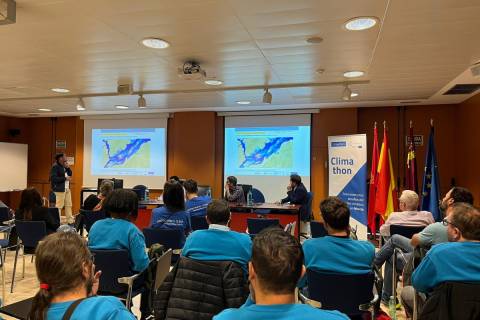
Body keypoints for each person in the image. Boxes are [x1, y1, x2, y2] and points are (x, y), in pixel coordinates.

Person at [213, 228, 348, 320]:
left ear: (251, 270)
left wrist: (252, 297)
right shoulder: (338, 318)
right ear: (302, 273)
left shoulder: (224, 318)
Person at [28, 232, 135, 320]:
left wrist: (89, 296)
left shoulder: (39, 310)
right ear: (84, 268)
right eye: (91, 259)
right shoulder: (110, 309)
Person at [401, 203, 480, 314]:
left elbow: (418, 284)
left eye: (447, 224)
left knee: (406, 292)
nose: (445, 226)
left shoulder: (438, 253)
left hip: (443, 313)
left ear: (456, 232)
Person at [88, 189, 150, 318]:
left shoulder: (95, 226)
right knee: (152, 272)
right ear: (132, 209)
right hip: (124, 284)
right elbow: (141, 265)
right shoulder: (133, 231)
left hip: (97, 281)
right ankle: (146, 312)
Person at [374, 190, 434, 303]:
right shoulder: (427, 216)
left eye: (400, 202)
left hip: (406, 259)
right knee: (392, 256)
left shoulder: (394, 216)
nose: (400, 203)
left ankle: (387, 296)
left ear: (404, 205)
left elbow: (383, 232)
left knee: (392, 252)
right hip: (421, 257)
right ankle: (386, 296)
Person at [302, 197, 374, 285]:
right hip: (355, 298)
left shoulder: (308, 246)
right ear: (348, 223)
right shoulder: (368, 249)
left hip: (317, 298)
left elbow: (301, 282)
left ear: (325, 224)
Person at [182, 200, 252, 273]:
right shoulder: (245, 241)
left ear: (207, 219)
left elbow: (182, 262)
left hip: (197, 283)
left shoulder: (193, 238)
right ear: (229, 218)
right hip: (233, 283)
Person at [150, 180, 191, 246]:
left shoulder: (156, 212)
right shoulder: (186, 214)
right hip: (179, 251)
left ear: (165, 195)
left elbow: (151, 232)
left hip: (160, 251)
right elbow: (188, 234)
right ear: (181, 196)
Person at [50, 153, 73, 225]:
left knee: (68, 205)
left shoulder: (64, 165)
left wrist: (68, 167)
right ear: (60, 158)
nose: (66, 158)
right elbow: (53, 179)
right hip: (59, 190)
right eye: (64, 157)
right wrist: (65, 178)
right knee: (59, 207)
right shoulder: (55, 167)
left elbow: (70, 173)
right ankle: (57, 222)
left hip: (67, 189)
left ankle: (70, 221)